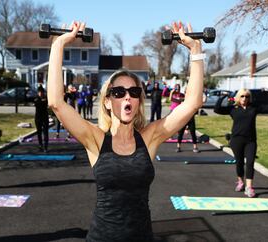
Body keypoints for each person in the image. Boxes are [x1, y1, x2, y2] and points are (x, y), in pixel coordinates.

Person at [47, 20, 204, 241]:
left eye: (133, 92)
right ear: (108, 101)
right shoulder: (95, 139)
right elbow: (56, 103)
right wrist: (59, 45)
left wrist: (196, 51)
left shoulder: (149, 138)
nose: (127, 96)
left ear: (139, 101)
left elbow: (192, 104)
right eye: (119, 92)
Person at [214, 88, 258, 198]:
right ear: (238, 97)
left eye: (247, 96)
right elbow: (217, 109)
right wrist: (222, 97)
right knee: (239, 162)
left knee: (250, 162)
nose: (244, 98)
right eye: (242, 96)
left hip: (251, 141)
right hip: (237, 140)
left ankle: (249, 187)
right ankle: (240, 181)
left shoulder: (253, 108)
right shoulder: (233, 108)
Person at [34, 86, 49, 152]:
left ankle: (45, 146)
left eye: (41, 92)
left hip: (45, 118)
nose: (40, 93)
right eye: (39, 92)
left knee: (45, 132)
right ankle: (40, 145)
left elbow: (46, 103)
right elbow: (37, 103)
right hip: (38, 118)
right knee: (39, 132)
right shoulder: (36, 99)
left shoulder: (46, 98)